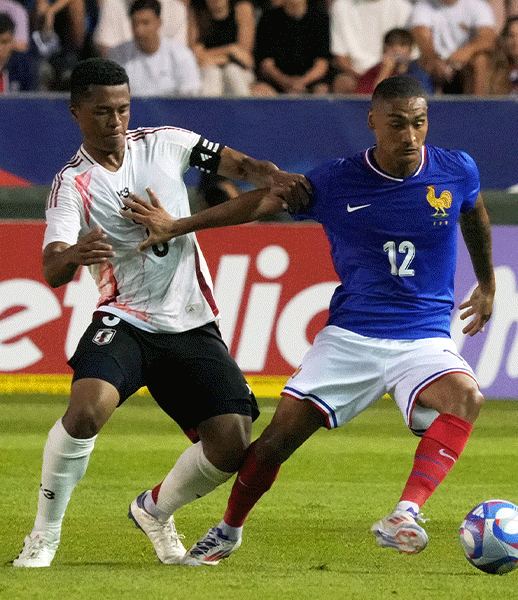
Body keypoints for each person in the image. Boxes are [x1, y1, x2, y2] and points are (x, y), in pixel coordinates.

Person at [124, 75, 495, 565]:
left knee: (466, 397)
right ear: (373, 124)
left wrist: (487, 283)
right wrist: (179, 224)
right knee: (276, 442)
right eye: (398, 124)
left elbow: (475, 215)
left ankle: (405, 512)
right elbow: (259, 203)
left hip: (422, 338)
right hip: (350, 338)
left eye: (419, 123)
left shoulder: (456, 169)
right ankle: (228, 530)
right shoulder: (335, 180)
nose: (410, 136)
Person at [11, 57, 308, 568]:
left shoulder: (166, 141)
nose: (116, 122)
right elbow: (51, 268)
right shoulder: (71, 184)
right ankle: (44, 535)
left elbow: (236, 165)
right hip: (124, 319)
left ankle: (155, 509)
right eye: (103, 112)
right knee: (85, 412)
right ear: (76, 112)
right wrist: (74, 256)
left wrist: (272, 174)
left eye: (123, 109)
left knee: (232, 445)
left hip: (190, 321)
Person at [108, 0, 201, 96]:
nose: (139, 30)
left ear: (159, 22)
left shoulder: (181, 55)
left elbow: (190, 96)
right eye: (135, 24)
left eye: (145, 23)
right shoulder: (117, 56)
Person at [409, 0, 497, 95]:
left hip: (466, 61)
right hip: (436, 59)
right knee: (424, 62)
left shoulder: (477, 5)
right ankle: (427, 105)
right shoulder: (424, 5)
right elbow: (422, 38)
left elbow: (488, 38)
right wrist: (435, 60)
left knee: (480, 60)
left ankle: (478, 104)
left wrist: (466, 52)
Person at [328, 0, 413, 95]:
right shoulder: (341, 6)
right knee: (343, 83)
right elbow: (340, 56)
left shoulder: (403, 7)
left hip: (396, 72)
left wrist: (389, 70)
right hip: (358, 76)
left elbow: (410, 53)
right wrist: (364, 79)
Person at [251, 0, 331, 96]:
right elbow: (267, 63)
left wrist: (301, 82)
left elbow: (322, 64)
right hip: (276, 81)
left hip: (311, 81)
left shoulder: (321, 19)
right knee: (259, 91)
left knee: (322, 90)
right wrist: (286, 82)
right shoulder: (268, 18)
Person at [187, 0, 255, 97]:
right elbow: (195, 55)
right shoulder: (197, 10)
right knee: (212, 73)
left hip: (240, 70)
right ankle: (209, 111)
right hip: (207, 69)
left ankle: (246, 110)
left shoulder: (242, 7)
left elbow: (244, 57)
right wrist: (230, 49)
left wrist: (210, 57)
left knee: (232, 72)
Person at [355, 28, 434, 96]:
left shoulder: (418, 73)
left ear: (410, 50)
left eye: (402, 45)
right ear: (384, 49)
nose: (396, 49)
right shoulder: (372, 73)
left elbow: (424, 101)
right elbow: (363, 102)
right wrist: (384, 73)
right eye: (391, 45)